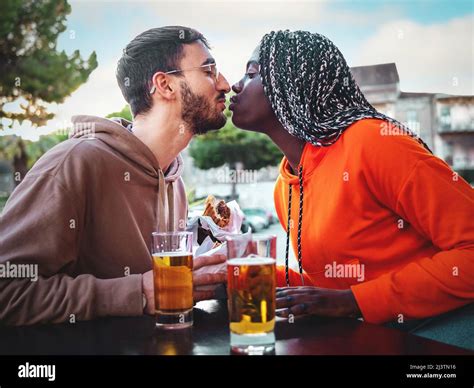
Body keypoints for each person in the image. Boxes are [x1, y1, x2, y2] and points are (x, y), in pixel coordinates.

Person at [230, 30, 474, 348]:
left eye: (252, 73)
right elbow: (331, 288)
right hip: (374, 335)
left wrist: (353, 302)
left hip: (448, 328)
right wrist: (232, 271)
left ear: (292, 82)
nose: (236, 85)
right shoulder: (286, 184)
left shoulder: (371, 142)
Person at [0, 26, 230, 326]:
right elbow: (7, 292)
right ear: (165, 85)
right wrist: (137, 292)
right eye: (209, 71)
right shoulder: (73, 164)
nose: (225, 84)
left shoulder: (175, 181)